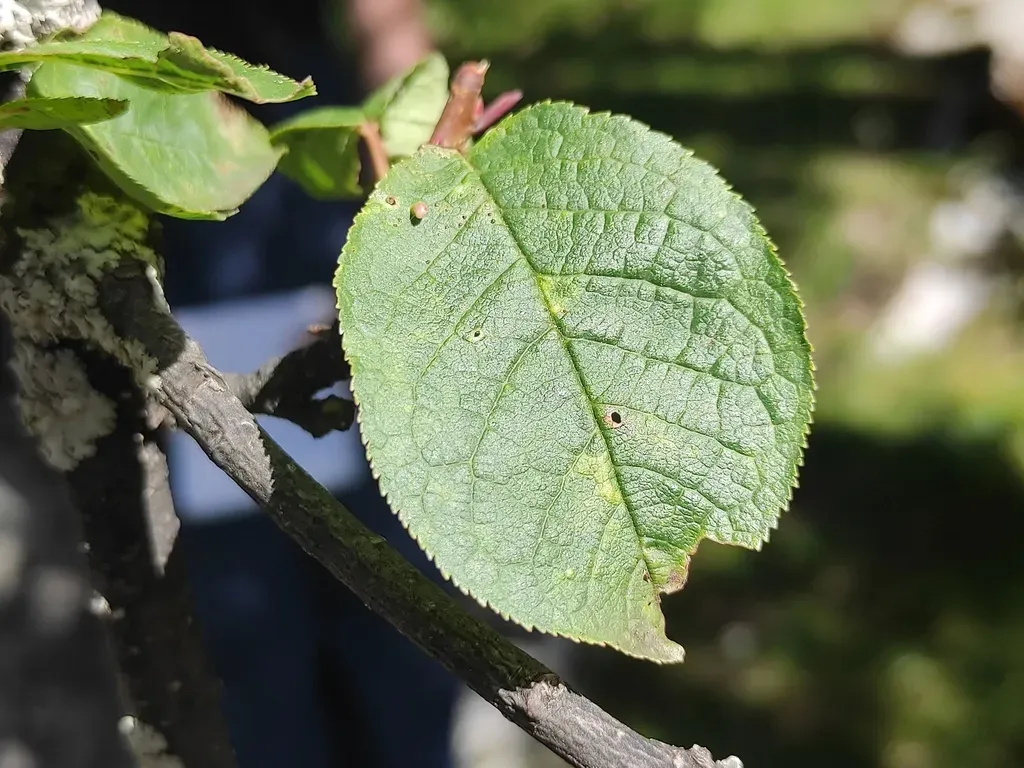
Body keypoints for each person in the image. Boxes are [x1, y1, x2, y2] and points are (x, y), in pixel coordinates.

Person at [101, 1, 459, 766]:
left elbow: (386, 19)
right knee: (249, 642)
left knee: (391, 614)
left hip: (292, 151)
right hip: (145, 159)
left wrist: (428, 212)